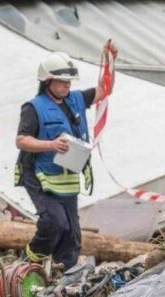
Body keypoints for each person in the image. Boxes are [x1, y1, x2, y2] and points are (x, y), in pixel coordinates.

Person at [15, 51, 102, 269]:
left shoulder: (76, 100)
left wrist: (109, 60)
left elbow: (104, 91)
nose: (66, 86)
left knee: (72, 234)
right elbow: (22, 140)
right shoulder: (33, 108)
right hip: (39, 174)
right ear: (47, 81)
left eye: (68, 82)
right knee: (54, 222)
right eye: (62, 82)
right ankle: (29, 264)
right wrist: (51, 145)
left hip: (66, 176)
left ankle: (64, 273)